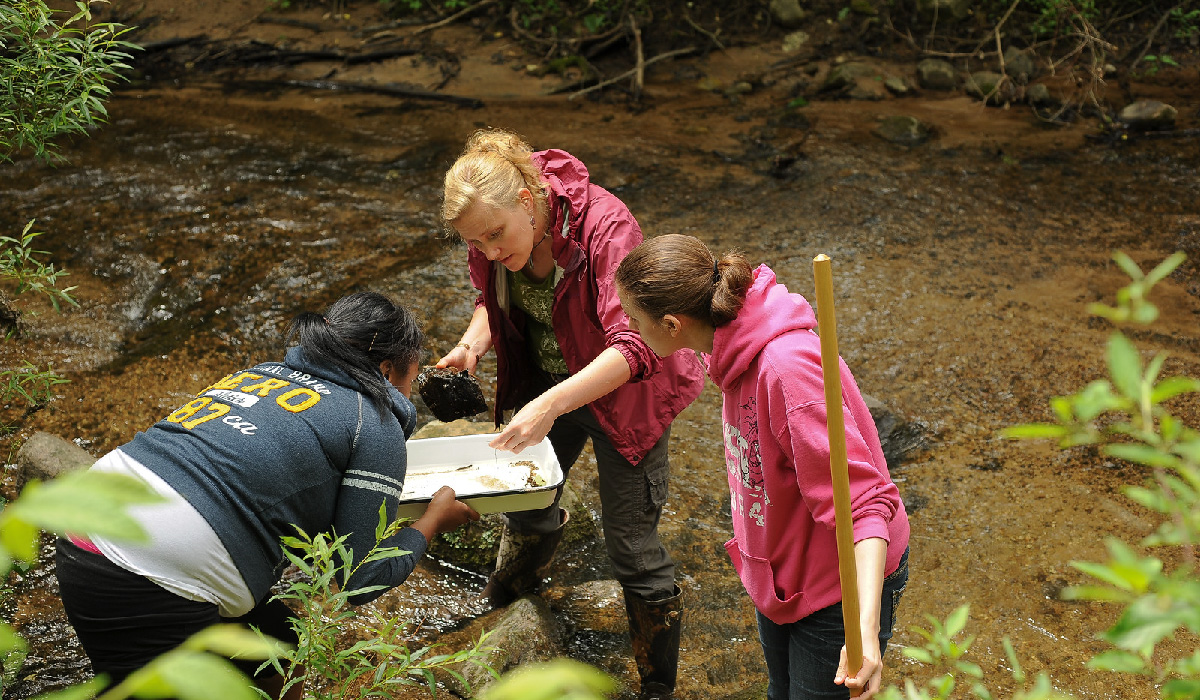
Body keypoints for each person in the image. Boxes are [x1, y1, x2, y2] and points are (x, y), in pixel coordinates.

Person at [54, 291, 480, 699]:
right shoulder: (372, 420)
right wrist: (431, 522)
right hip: (153, 565)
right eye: (411, 374)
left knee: (280, 644)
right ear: (387, 371)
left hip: (86, 522)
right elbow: (357, 578)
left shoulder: (256, 373)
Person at [436, 128, 705, 699]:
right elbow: (494, 295)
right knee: (524, 503)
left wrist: (550, 406)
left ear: (528, 202)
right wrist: (472, 344)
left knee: (631, 547)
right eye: (475, 243)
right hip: (543, 384)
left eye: (494, 236)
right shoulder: (493, 226)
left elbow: (635, 347)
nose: (487, 249)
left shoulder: (605, 227)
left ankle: (658, 689)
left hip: (624, 395)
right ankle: (510, 606)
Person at [615, 234, 911, 700]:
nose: (626, 327)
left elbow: (867, 507)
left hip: (840, 588)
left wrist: (865, 633)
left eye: (632, 318)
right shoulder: (723, 339)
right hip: (782, 575)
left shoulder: (786, 371)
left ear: (672, 324)